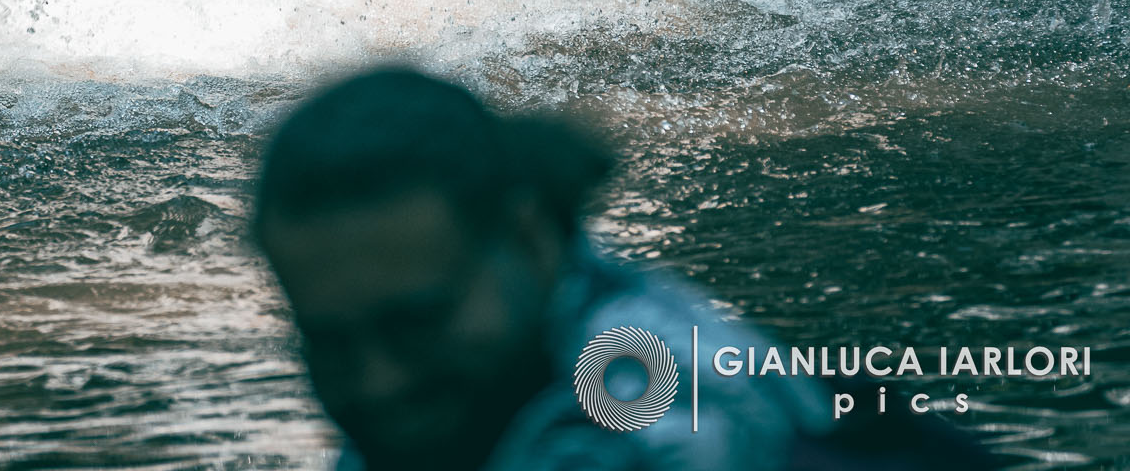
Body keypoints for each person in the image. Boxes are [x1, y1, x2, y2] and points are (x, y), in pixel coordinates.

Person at [255, 68, 999, 471]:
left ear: (529, 239)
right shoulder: (467, 380)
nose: (377, 380)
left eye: (416, 325)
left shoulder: (640, 410)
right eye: (329, 342)